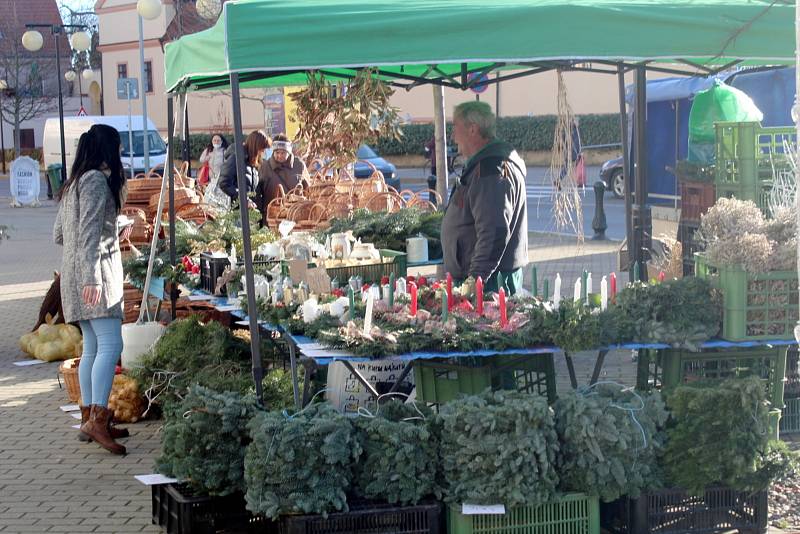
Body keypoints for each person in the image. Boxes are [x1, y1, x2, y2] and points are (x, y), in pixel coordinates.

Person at [53, 124, 131, 455]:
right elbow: (89, 235)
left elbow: (60, 233)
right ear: (108, 149)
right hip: (95, 275)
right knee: (111, 344)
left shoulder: (74, 182)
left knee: (92, 348)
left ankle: (90, 414)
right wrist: (93, 280)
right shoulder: (97, 181)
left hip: (74, 274)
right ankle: (96, 419)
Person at [441, 101, 528, 295]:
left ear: (473, 129)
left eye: (455, 127)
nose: (453, 136)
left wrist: (475, 281)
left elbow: (494, 230)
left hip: (490, 283)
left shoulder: (491, 170)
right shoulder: (487, 165)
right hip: (488, 278)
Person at [254, 134, 310, 225]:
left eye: (283, 153)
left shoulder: (299, 165)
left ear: (289, 152)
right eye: (277, 152)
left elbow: (308, 190)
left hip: (296, 217)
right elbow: (258, 193)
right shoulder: (265, 167)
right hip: (273, 218)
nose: (280, 156)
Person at [218, 130, 270, 209]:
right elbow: (224, 183)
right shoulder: (236, 158)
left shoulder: (252, 162)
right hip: (235, 211)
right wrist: (244, 200)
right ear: (256, 146)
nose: (263, 151)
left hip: (248, 211)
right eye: (262, 148)